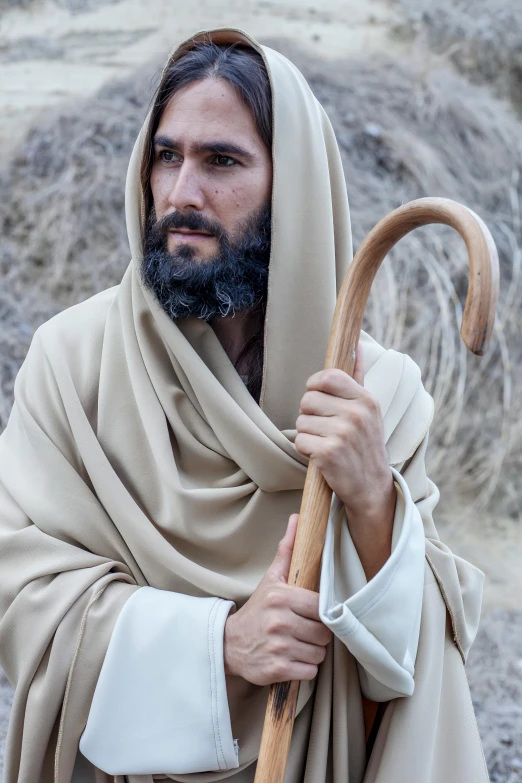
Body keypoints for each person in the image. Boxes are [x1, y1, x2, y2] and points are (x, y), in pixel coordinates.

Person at [0, 27, 488, 783]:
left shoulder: (375, 394)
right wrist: (219, 643)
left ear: (290, 186)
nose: (182, 193)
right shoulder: (71, 367)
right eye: (168, 156)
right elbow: (24, 597)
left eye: (221, 161)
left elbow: (424, 653)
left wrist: (370, 502)